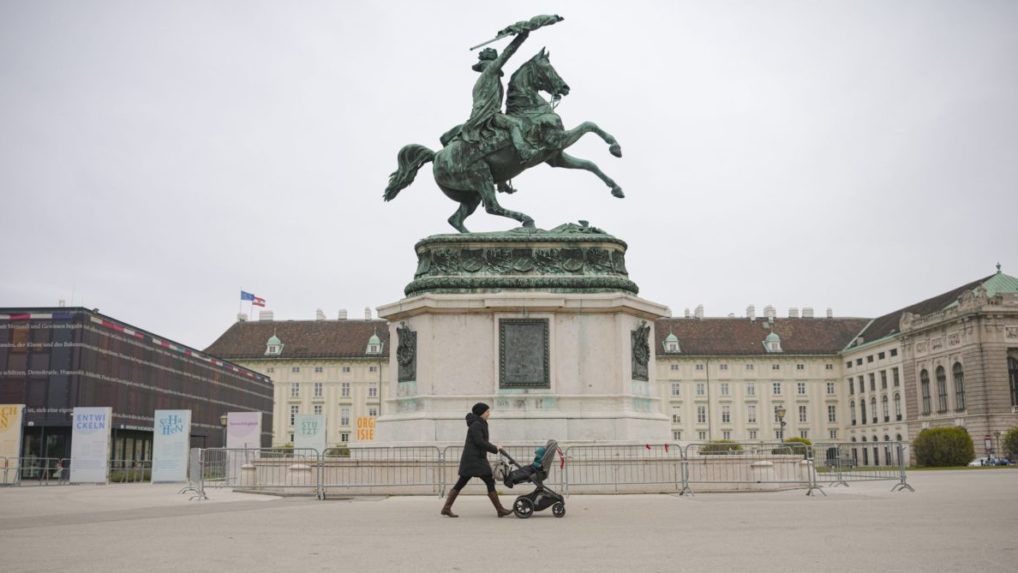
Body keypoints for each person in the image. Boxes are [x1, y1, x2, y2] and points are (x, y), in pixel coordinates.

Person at [441, 402, 513, 518]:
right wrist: (495, 448)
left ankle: (446, 508)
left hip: (474, 459)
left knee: (462, 482)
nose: (489, 414)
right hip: (474, 460)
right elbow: (480, 442)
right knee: (488, 481)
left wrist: (495, 447)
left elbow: (481, 441)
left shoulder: (479, 423)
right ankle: (500, 510)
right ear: (481, 413)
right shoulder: (477, 425)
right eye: (487, 411)